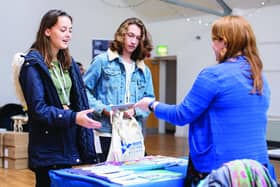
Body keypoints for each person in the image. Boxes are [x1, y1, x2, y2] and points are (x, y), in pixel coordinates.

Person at [134, 15, 271, 186]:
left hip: (220, 169)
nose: (212, 45)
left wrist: (151, 104)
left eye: (214, 40)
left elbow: (181, 115)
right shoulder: (259, 77)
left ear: (224, 42)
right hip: (257, 167)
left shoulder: (213, 75)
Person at [19, 9, 101, 187]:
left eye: (70, 30)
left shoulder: (68, 63)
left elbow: (77, 101)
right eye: (63, 30)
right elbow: (39, 110)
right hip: (48, 146)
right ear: (47, 31)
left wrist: (76, 116)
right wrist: (72, 116)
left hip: (68, 141)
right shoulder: (32, 65)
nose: (68, 35)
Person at [83, 17, 154, 162]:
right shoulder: (102, 61)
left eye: (138, 38)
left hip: (132, 133)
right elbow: (83, 91)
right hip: (106, 132)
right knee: (107, 179)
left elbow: (149, 100)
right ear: (122, 35)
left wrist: (135, 111)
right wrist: (103, 109)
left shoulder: (144, 70)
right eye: (130, 35)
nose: (134, 41)